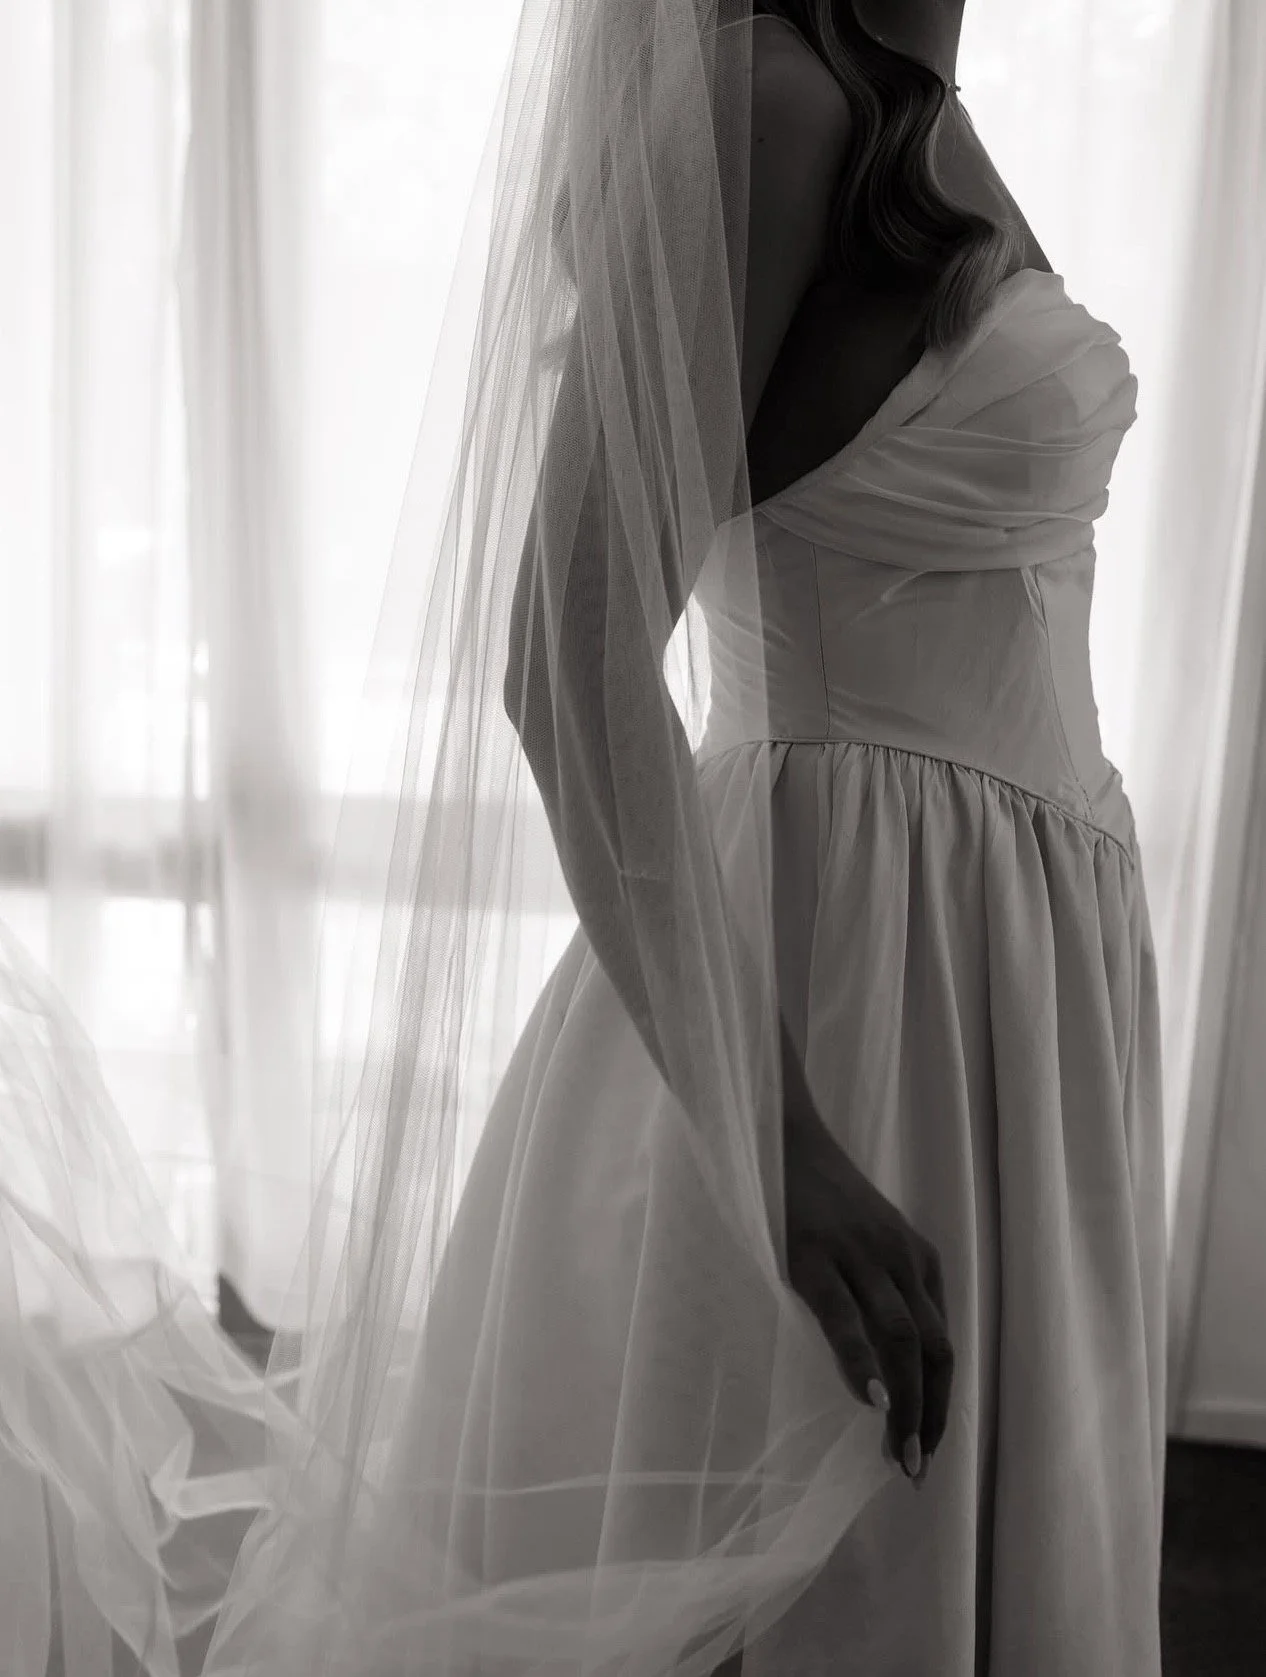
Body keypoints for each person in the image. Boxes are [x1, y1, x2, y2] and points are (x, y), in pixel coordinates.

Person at [0, 2, 1165, 1673]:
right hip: (850, 988)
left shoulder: (915, 98)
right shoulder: (778, 103)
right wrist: (784, 1148)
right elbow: (566, 654)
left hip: (1009, 978)